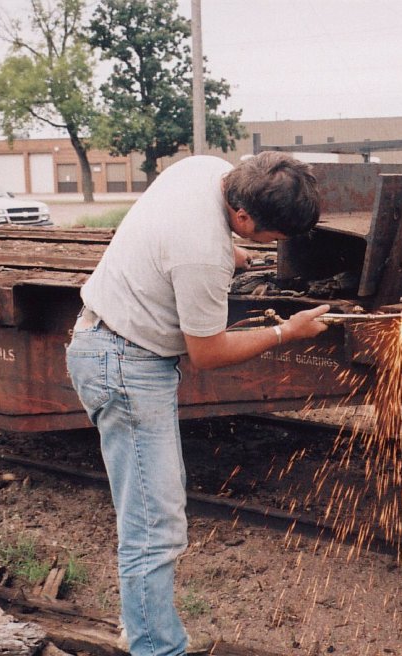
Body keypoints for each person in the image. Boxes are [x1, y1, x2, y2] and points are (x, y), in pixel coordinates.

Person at [66, 152, 330, 656]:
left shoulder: (205, 168)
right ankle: (155, 648)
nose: (274, 247)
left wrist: (230, 254)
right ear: (245, 217)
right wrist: (285, 332)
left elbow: (172, 228)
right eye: (272, 236)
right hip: (125, 364)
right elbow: (206, 353)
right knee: (154, 525)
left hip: (110, 340)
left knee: (151, 510)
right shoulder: (202, 253)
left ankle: (141, 625)